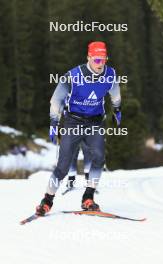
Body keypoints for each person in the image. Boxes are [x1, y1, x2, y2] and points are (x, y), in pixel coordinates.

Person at [36, 41, 121, 215]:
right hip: (73, 122)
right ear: (88, 58)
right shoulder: (73, 76)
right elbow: (55, 101)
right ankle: (47, 200)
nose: (101, 64)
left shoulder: (110, 74)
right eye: (97, 60)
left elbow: (115, 93)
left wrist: (117, 109)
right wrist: (53, 123)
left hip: (95, 122)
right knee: (63, 166)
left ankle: (88, 197)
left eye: (104, 59)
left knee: (99, 157)